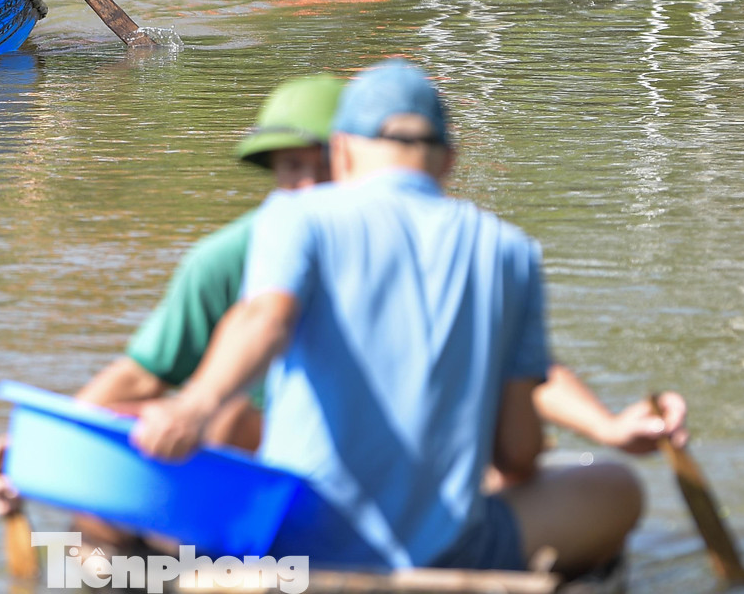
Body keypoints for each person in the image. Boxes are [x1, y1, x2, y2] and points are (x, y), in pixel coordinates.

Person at [131, 58, 648, 577]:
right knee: (617, 488)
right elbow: (517, 453)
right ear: (448, 160)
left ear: (343, 151)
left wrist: (191, 410)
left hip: (296, 544)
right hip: (448, 554)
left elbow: (265, 319)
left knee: (177, 490)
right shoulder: (510, 250)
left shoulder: (293, 215)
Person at [0, 73, 347, 518]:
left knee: (224, 421)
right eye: (292, 168)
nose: (309, 187)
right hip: (261, 476)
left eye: (326, 167)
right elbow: (140, 376)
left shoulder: (413, 251)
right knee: (100, 511)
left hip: (350, 461)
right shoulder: (227, 259)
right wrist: (34, 451)